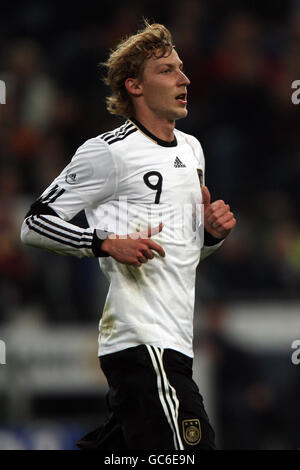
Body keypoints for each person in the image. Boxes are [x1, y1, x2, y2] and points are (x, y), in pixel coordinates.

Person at [21, 21, 236, 450]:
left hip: (175, 342)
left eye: (182, 68)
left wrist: (210, 236)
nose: (184, 78)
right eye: (168, 70)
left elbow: (180, 253)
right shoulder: (108, 151)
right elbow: (34, 223)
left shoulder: (192, 150)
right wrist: (103, 241)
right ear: (134, 86)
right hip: (142, 342)